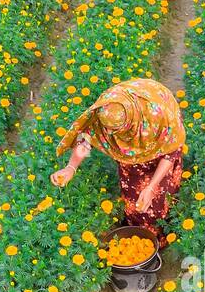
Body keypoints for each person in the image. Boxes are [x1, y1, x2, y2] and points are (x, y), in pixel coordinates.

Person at [50, 78, 184, 239]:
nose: (111, 135)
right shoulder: (105, 110)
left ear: (131, 122)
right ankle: (137, 230)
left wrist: (151, 187)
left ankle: (162, 233)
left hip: (161, 133)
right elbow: (86, 139)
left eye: (117, 130)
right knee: (134, 196)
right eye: (109, 130)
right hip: (131, 151)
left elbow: (170, 152)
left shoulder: (158, 116)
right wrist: (70, 167)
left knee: (160, 193)